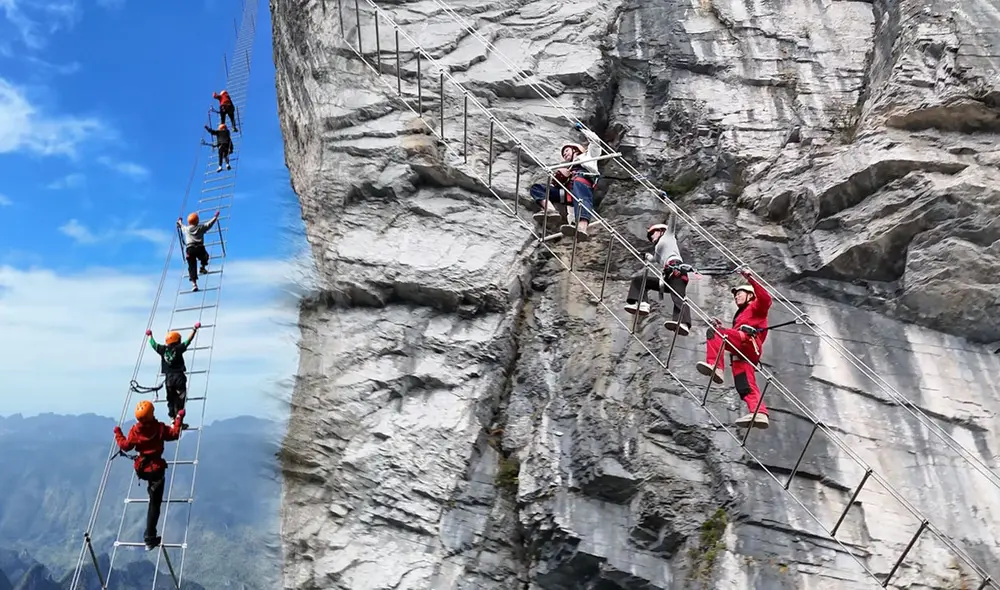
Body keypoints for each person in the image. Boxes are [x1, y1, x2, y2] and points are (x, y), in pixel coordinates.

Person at [696, 269, 773, 429]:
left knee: (715, 333)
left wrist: (750, 278)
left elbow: (766, 299)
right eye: (736, 294)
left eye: (740, 293)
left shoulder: (756, 307)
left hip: (748, 344)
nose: (736, 296)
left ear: (750, 296)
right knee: (744, 385)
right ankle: (759, 412)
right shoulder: (742, 314)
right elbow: (731, 335)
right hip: (743, 352)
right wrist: (721, 328)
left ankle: (716, 366)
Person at [114, 401, 185, 551]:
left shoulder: (135, 431)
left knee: (152, 495)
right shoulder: (159, 429)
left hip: (142, 470)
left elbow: (126, 446)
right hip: (157, 471)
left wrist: (118, 433)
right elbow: (174, 434)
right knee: (154, 504)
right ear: (151, 414)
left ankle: (150, 535)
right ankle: (150, 538)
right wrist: (179, 418)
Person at [529, 123, 603, 241]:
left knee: (582, 199)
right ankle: (550, 210)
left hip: (582, 182)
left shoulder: (589, 156)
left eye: (567, 151)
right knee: (537, 188)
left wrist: (583, 130)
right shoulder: (569, 168)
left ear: (575, 150)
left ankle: (582, 228)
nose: (565, 155)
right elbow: (570, 204)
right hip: (569, 190)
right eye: (563, 154)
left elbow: (595, 142)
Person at [623, 217, 693, 336]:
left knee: (678, 297)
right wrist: (645, 256)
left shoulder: (668, 236)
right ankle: (642, 303)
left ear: (661, 231)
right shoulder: (658, 248)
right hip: (667, 277)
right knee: (639, 281)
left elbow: (674, 215)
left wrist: (667, 202)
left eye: (652, 233)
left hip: (677, 271)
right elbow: (654, 258)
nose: (651, 237)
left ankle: (683, 323)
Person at [145, 323, 200, 426]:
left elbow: (153, 344)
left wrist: (150, 335)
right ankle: (179, 419)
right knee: (181, 398)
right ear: (177, 340)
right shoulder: (178, 349)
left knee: (171, 398)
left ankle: (172, 419)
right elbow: (189, 341)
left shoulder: (162, 350)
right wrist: (194, 329)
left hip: (169, 379)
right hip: (179, 378)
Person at [178, 211, 220, 292]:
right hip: (199, 248)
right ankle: (202, 267)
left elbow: (181, 226)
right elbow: (209, 224)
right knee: (205, 256)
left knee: (192, 266)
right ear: (197, 221)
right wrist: (215, 217)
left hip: (190, 250)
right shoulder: (200, 228)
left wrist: (179, 221)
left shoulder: (186, 229)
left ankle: (194, 284)